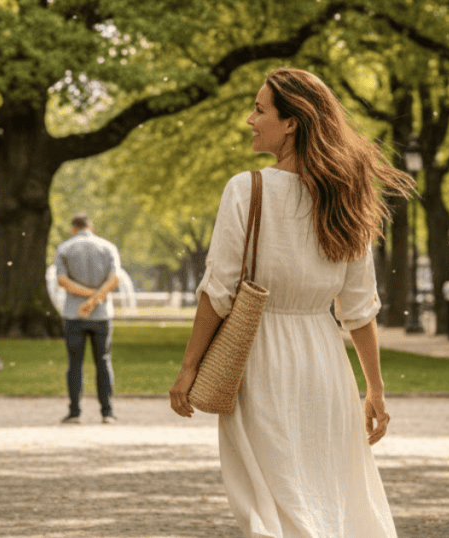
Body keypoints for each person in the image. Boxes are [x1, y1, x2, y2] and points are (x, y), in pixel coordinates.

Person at [168, 68, 415, 537]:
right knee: (330, 488)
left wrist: (189, 368)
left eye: (260, 110)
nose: (249, 119)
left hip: (258, 358)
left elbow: (218, 291)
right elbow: (359, 306)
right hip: (324, 360)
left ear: (291, 123)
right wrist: (374, 388)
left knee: (269, 497)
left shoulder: (247, 189)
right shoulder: (346, 195)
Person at [53, 213, 121, 425]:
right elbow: (115, 279)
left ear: (74, 228)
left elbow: (62, 281)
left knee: (74, 364)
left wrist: (86, 298)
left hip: (74, 313)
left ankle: (74, 412)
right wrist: (96, 298)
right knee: (103, 361)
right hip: (102, 315)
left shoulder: (64, 248)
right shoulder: (108, 247)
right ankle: (107, 412)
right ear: (90, 226)